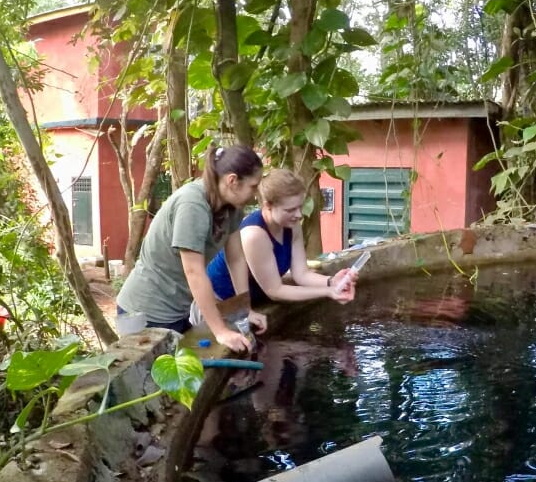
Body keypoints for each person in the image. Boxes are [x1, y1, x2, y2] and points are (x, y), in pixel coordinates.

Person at [116, 144, 266, 353]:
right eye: (253, 186)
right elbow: (194, 271)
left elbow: (237, 258)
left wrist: (244, 311)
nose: (256, 193)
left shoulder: (232, 207)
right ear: (232, 181)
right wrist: (220, 331)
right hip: (146, 312)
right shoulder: (192, 204)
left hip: (178, 310)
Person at [203, 169, 356, 309]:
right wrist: (328, 292)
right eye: (290, 210)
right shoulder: (254, 235)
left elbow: (301, 274)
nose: (298, 215)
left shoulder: (291, 224)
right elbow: (275, 291)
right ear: (268, 205)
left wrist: (332, 281)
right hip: (220, 302)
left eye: (300, 207)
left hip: (253, 301)